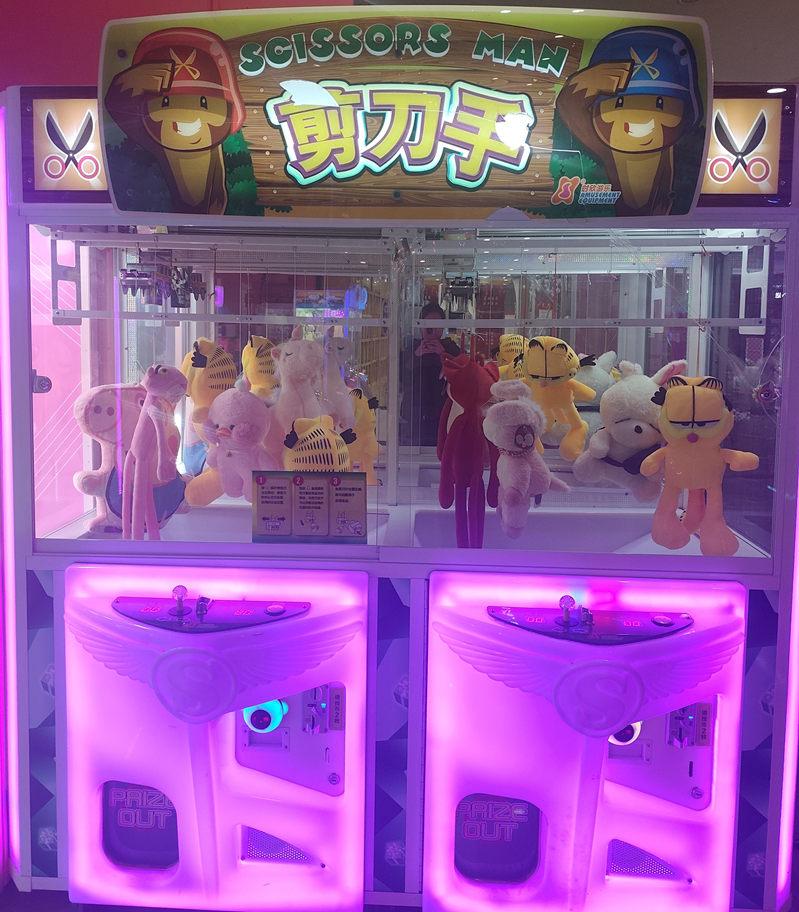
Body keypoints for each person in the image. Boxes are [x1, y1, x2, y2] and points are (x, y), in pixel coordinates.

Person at [400, 303, 460, 447]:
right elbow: (401, 378)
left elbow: (461, 379)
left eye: (437, 324)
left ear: (443, 326)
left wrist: (443, 354)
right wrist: (416, 356)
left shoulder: (451, 348)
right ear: (421, 326)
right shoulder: (413, 347)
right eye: (428, 324)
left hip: (443, 411)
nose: (432, 329)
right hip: (414, 411)